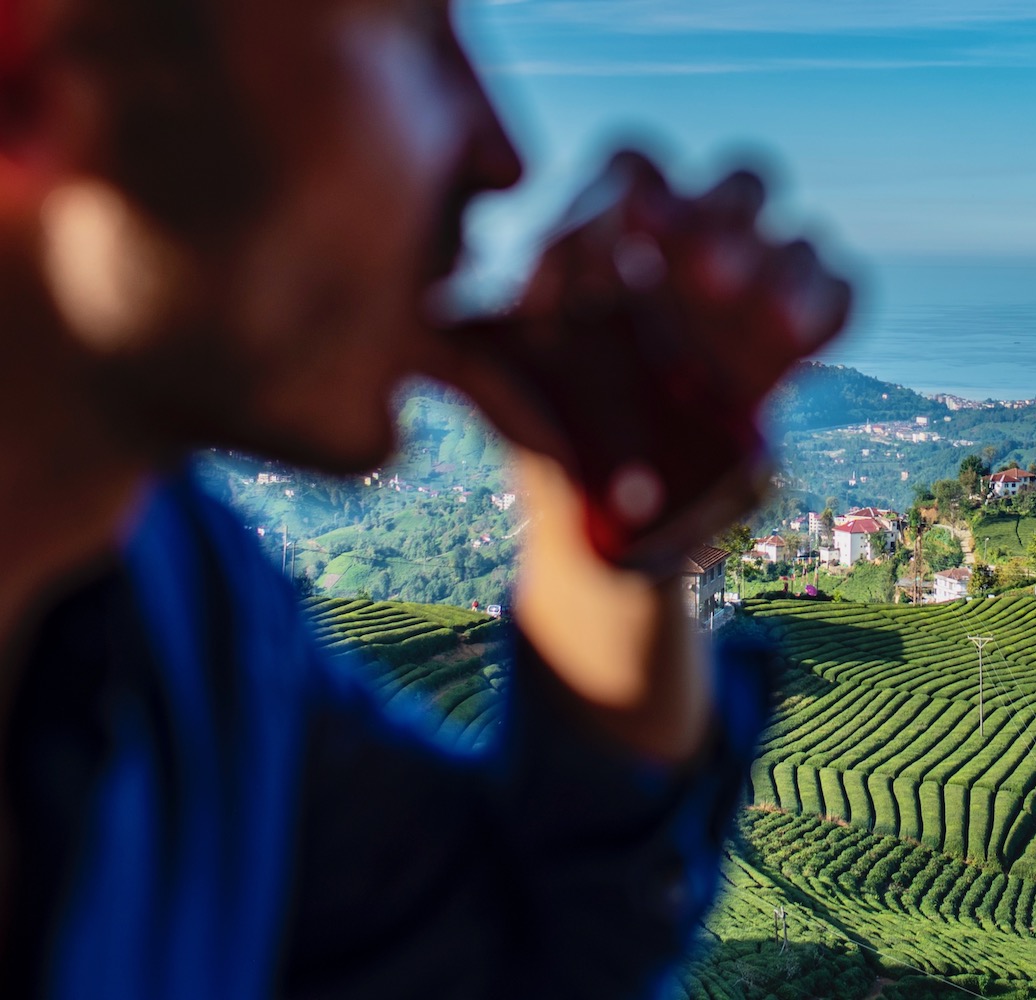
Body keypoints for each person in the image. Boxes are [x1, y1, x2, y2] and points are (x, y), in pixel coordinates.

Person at [0, 0, 851, 996]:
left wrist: (611, 524)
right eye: (412, 31)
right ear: (44, 46)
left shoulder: (189, 613)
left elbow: (527, 951)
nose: (504, 155)